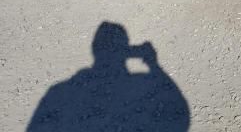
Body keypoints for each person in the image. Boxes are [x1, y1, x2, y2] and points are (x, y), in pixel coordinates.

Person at [27, 22, 190, 132]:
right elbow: (181, 115)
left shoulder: (59, 91)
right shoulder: (142, 82)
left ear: (94, 48)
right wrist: (154, 65)